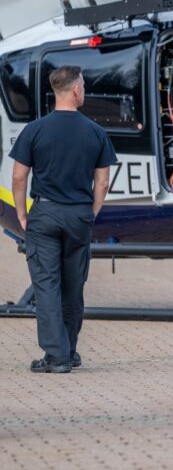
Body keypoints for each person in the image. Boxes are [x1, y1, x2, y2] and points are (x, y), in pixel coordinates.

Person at [11, 65, 116, 374]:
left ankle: (56, 356)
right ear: (75, 90)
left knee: (46, 284)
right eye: (83, 85)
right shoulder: (95, 131)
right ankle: (67, 351)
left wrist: (21, 213)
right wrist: (93, 211)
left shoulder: (34, 130)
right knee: (73, 286)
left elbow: (19, 178)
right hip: (79, 214)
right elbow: (103, 183)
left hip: (44, 214)